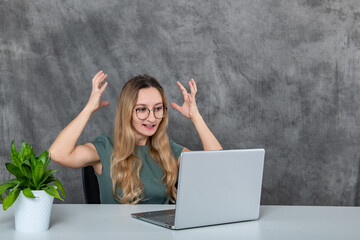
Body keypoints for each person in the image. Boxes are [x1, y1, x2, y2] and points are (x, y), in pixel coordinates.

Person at [49, 70, 222, 204]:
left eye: (158, 108)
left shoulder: (167, 149)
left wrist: (196, 117)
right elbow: (57, 154)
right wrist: (88, 109)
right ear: (127, 112)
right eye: (141, 109)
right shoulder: (105, 147)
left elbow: (216, 167)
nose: (152, 118)